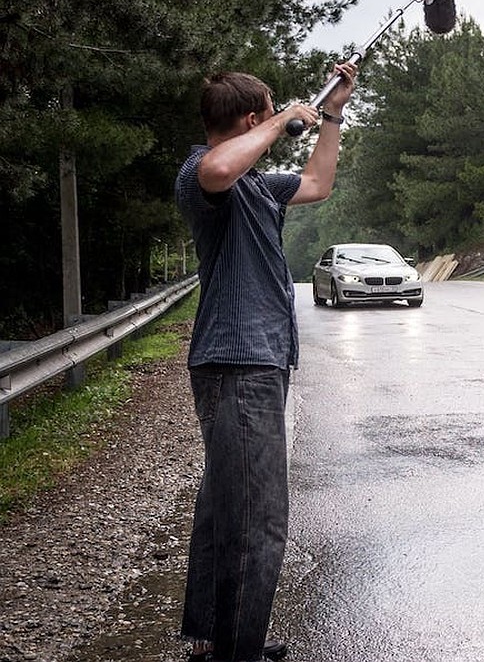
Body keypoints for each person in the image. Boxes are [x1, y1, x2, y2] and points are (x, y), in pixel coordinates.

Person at [174, 60, 357, 662]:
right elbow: (221, 165)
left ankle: (215, 639)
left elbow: (319, 183)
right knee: (261, 518)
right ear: (253, 119)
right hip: (238, 363)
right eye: (269, 109)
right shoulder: (202, 175)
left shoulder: (259, 185)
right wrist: (283, 120)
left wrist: (330, 112)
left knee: (228, 502)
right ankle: (238, 650)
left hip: (257, 361)